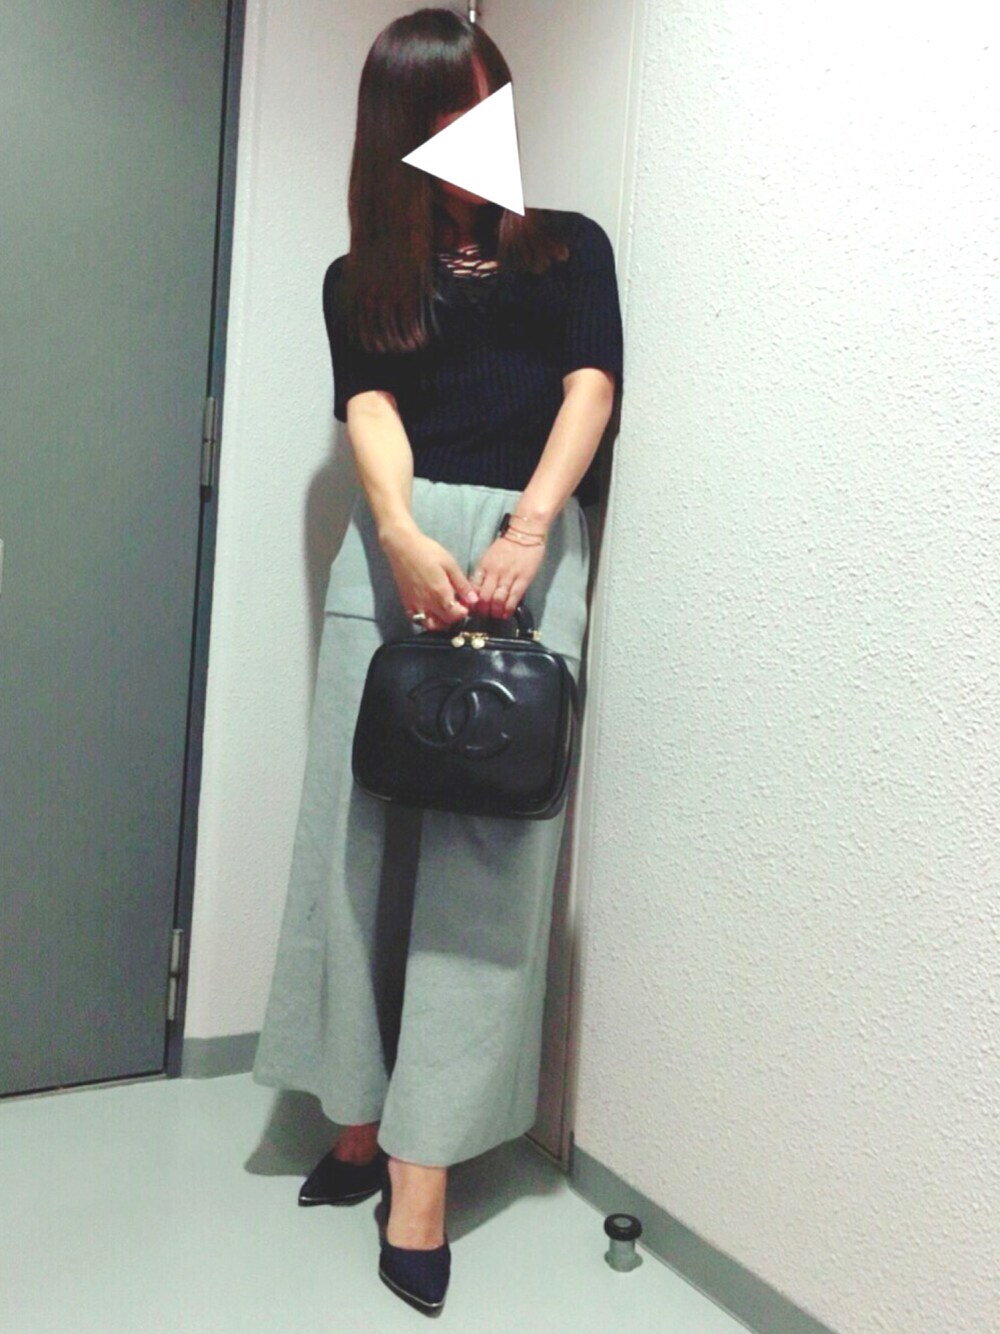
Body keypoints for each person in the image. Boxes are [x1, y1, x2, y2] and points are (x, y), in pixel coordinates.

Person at [251, 7, 624, 1317]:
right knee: (351, 838)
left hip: (528, 552)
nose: (482, 122)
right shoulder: (360, 275)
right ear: (402, 130)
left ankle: (423, 1162)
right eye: (453, 106)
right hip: (394, 547)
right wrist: (403, 535)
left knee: (488, 858)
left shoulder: (570, 246)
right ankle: (355, 1116)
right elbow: (371, 404)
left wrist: (528, 528)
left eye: (490, 94)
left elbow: (590, 387)